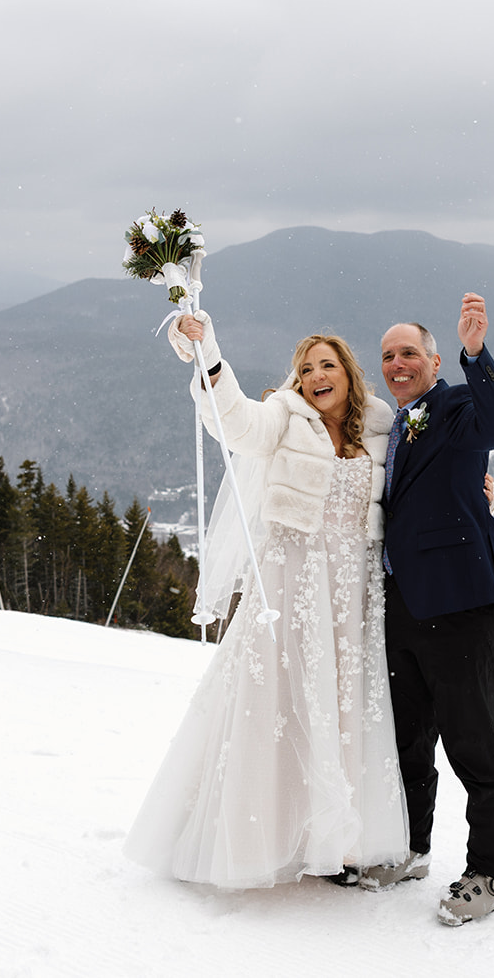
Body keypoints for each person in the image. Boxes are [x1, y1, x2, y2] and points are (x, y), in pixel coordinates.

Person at [123, 312, 408, 888]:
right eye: (306, 369)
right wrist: (210, 356)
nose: (316, 375)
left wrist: (484, 495)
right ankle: (254, 842)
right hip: (293, 582)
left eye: (328, 365)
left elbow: (419, 487)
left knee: (343, 707)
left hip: (352, 591)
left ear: (350, 375)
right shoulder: (284, 416)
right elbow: (237, 424)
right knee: (275, 705)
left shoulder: (379, 430)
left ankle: (337, 842)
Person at [359, 292, 494, 927]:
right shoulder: (395, 425)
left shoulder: (456, 406)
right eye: (387, 356)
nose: (397, 364)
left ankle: (492, 873)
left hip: (462, 604)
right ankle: (410, 848)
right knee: (407, 740)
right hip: (402, 604)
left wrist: (476, 354)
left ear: (434, 360)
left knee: (472, 741)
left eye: (409, 353)